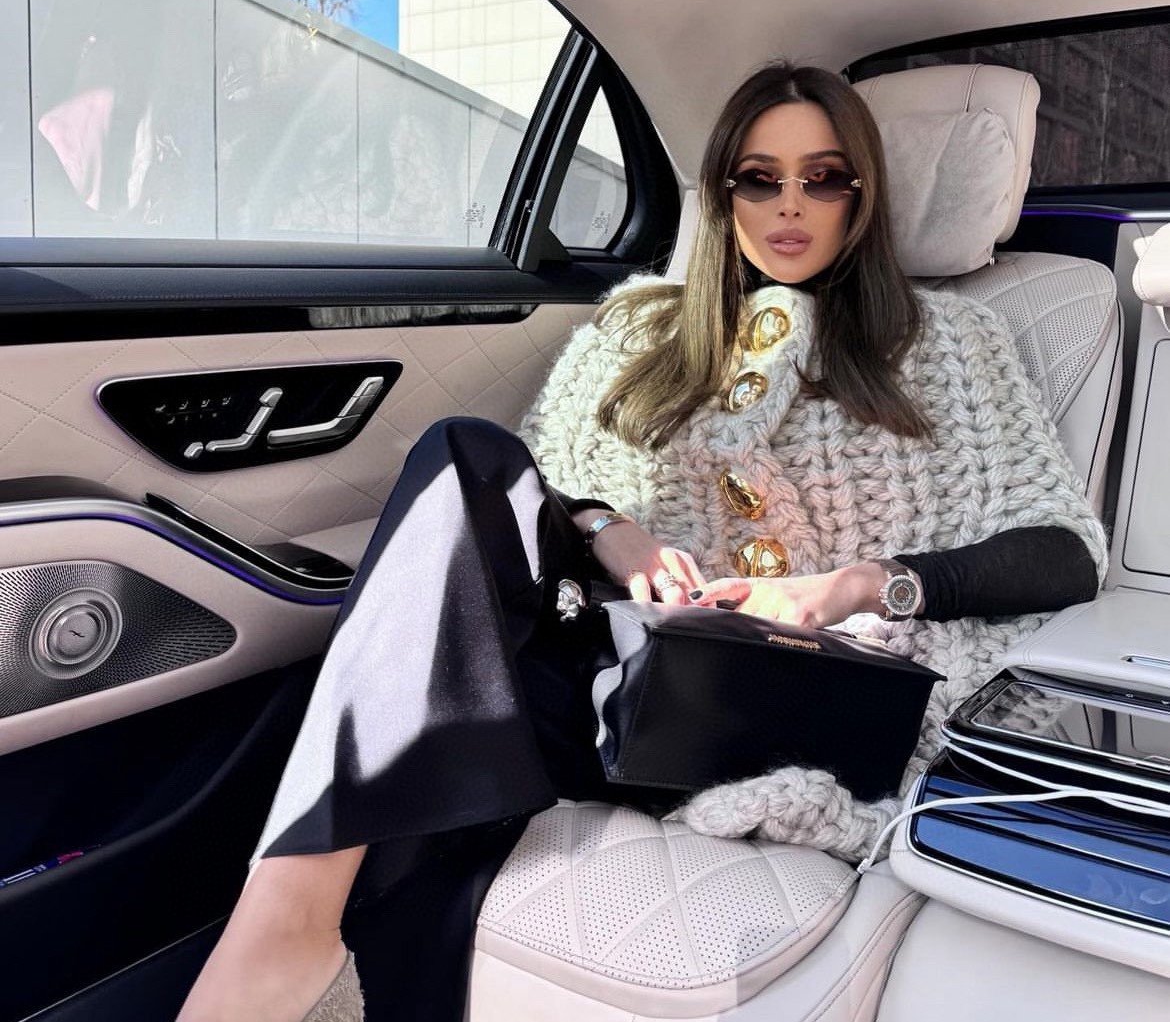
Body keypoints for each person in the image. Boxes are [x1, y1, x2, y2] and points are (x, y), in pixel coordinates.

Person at [176, 62, 1105, 1022]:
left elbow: (1065, 552)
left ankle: (284, 959)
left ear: (862, 195)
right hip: (621, 666)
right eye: (760, 178)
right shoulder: (636, 329)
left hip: (799, 699)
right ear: (723, 194)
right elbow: (533, 491)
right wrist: (607, 528)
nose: (790, 205)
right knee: (462, 457)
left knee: (430, 726)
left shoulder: (952, 342)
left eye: (823, 178)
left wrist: (856, 585)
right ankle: (286, 921)